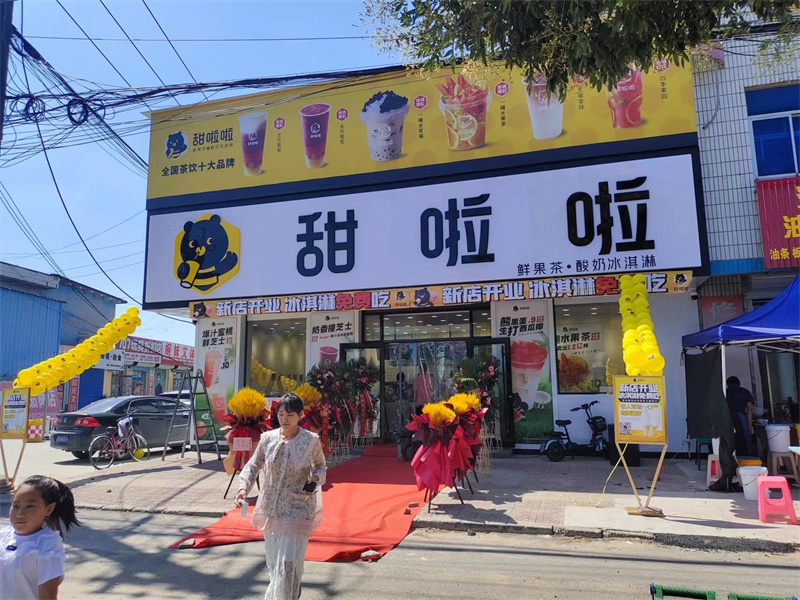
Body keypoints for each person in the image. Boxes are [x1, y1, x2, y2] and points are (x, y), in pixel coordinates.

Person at [235, 393, 327, 600]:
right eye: (281, 414)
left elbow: (321, 466)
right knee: (275, 562)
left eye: (290, 415)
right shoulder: (267, 439)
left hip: (298, 507)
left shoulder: (310, 440)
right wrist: (243, 488)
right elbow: (253, 465)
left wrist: (315, 480)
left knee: (288, 561)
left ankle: (285, 594)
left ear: (300, 415)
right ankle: (290, 591)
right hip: (271, 508)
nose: (284, 419)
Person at [0, 475, 80, 600]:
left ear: (49, 509)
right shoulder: (3, 536)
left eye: (30, 506)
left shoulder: (47, 547)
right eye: (15, 506)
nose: (20, 514)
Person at [725, 376, 754, 456]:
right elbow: (749, 411)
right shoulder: (745, 392)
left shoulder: (725, 392)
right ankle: (745, 456)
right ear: (739, 383)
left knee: (729, 438)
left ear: (728, 384)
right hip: (741, 418)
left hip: (727, 418)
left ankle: (729, 456)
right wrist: (750, 425)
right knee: (744, 439)